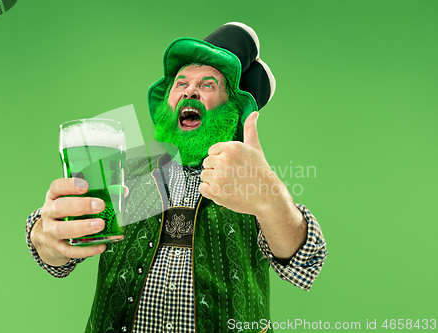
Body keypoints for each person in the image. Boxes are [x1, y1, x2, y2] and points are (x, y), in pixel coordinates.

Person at [26, 23, 327, 333]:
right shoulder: (129, 170)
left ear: (231, 112)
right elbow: (55, 248)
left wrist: (270, 197)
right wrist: (46, 236)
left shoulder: (248, 180)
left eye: (208, 85)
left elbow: (306, 264)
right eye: (180, 83)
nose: (190, 90)